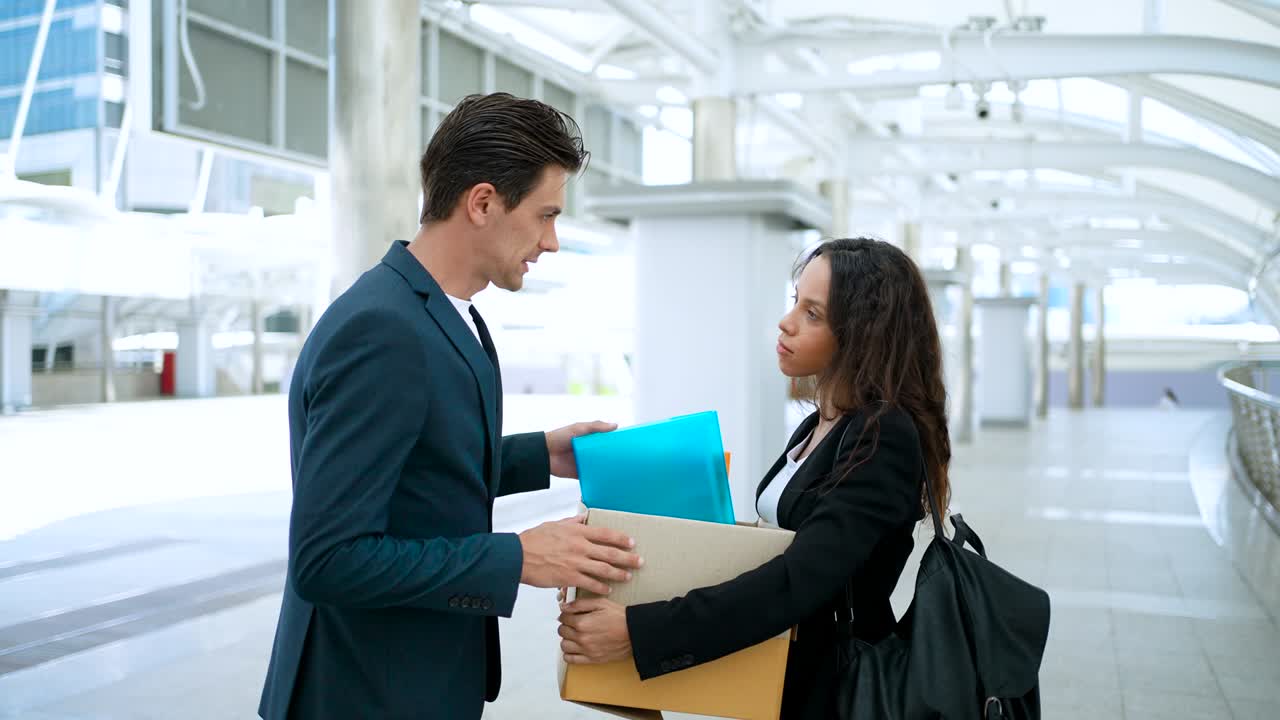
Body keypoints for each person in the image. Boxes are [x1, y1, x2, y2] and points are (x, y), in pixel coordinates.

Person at [258, 93, 643, 720]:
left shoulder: (446, 315)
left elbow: (416, 472)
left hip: (414, 681)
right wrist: (518, 556)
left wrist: (539, 455)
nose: (552, 242)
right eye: (545, 215)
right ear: (483, 203)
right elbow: (328, 560)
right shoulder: (383, 330)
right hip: (363, 692)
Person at [557, 238, 952, 719]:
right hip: (784, 672)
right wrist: (625, 571)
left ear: (863, 335)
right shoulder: (824, 422)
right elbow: (779, 548)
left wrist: (639, 631)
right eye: (794, 303)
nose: (787, 323)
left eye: (813, 314)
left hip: (834, 688)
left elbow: (799, 580)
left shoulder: (882, 434)